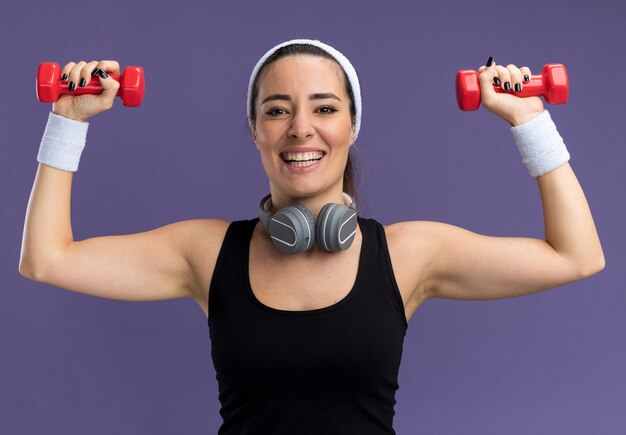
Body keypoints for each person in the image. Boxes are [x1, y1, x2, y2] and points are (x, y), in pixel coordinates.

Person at [20, 39, 605, 434]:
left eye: (324, 107)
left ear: (351, 125)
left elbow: (576, 256)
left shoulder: (408, 254)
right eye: (277, 110)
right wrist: (67, 119)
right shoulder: (205, 252)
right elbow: (47, 259)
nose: (301, 127)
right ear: (254, 131)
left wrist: (531, 121)